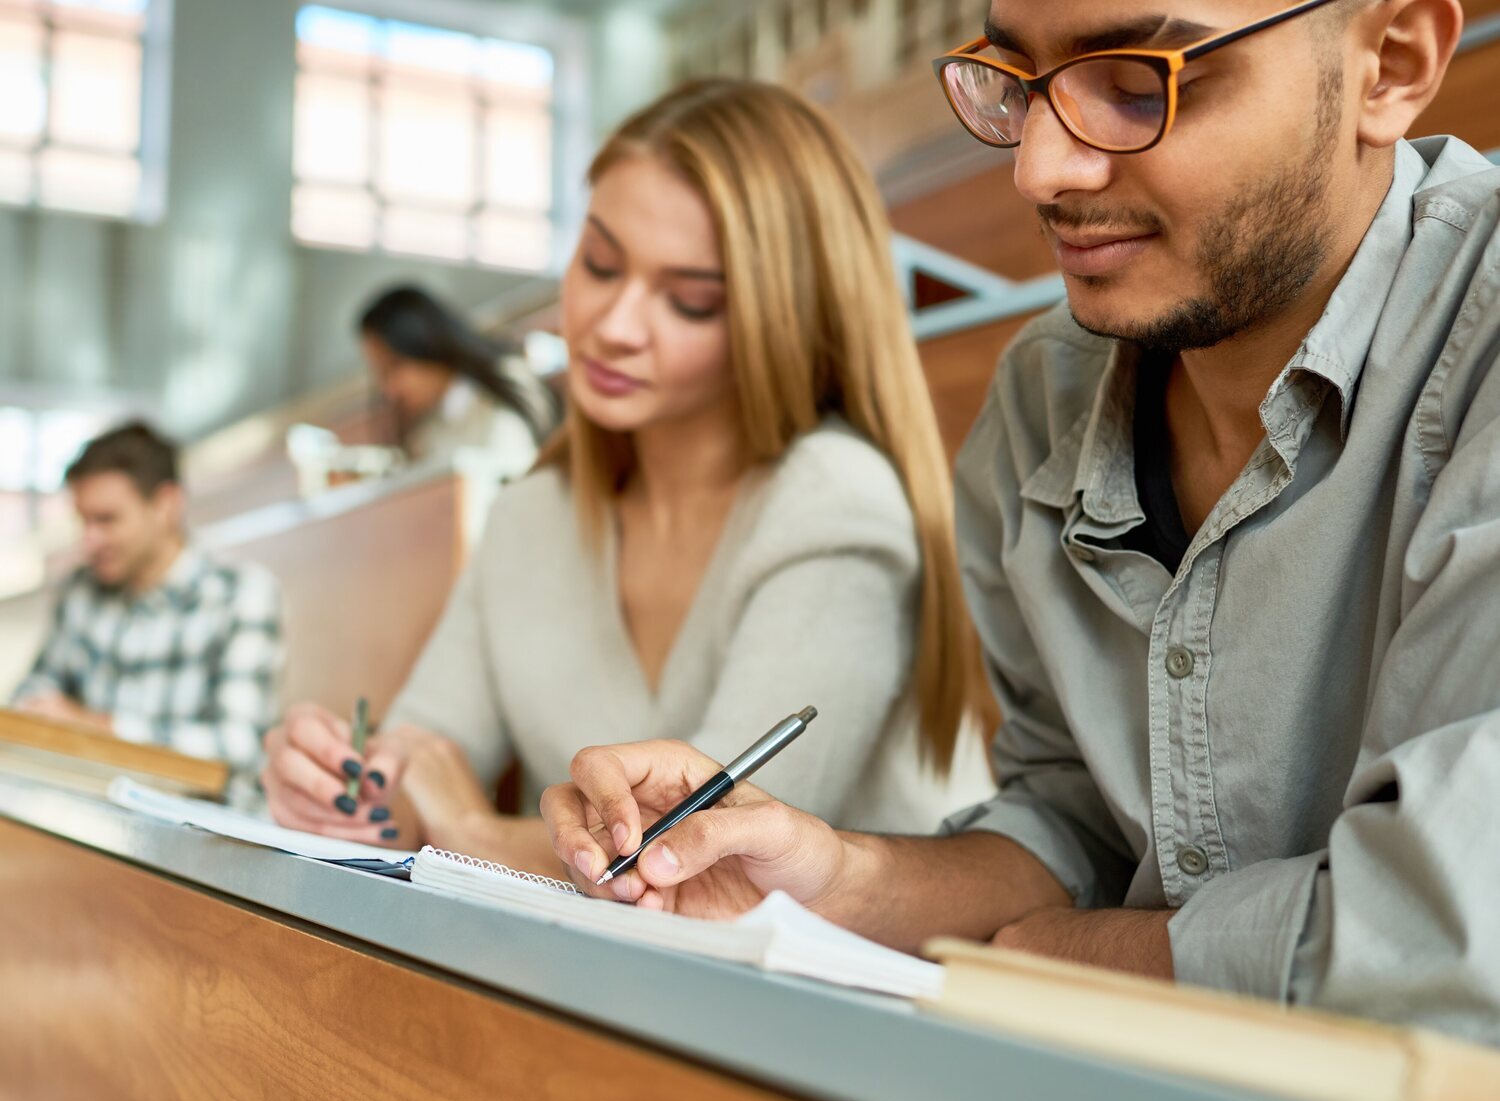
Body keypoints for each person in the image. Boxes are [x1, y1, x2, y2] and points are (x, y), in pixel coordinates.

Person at [542, 0, 1500, 1045]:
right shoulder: (1045, 393)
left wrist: (1090, 953)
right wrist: (827, 874)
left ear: (1392, 63)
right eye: (1017, 82)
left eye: (1139, 85)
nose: (1041, 171)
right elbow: (1073, 826)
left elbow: (1455, 937)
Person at [261, 80, 996, 872]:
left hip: (855, 985)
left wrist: (471, 834)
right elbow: (422, 757)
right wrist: (346, 784)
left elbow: (704, 861)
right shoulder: (533, 514)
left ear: (784, 318)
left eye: (687, 302)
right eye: (601, 264)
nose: (611, 328)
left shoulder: (836, 503)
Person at [13, 422, 284, 770]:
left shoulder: (242, 594)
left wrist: (98, 728)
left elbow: (240, 745)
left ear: (165, 504)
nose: (89, 540)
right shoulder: (80, 588)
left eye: (106, 519)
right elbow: (34, 693)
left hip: (194, 818)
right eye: (84, 522)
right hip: (89, 804)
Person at [358, 285, 559, 478]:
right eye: (380, 374)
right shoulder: (427, 431)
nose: (390, 389)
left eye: (394, 366)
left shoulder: (507, 386)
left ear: (425, 342)